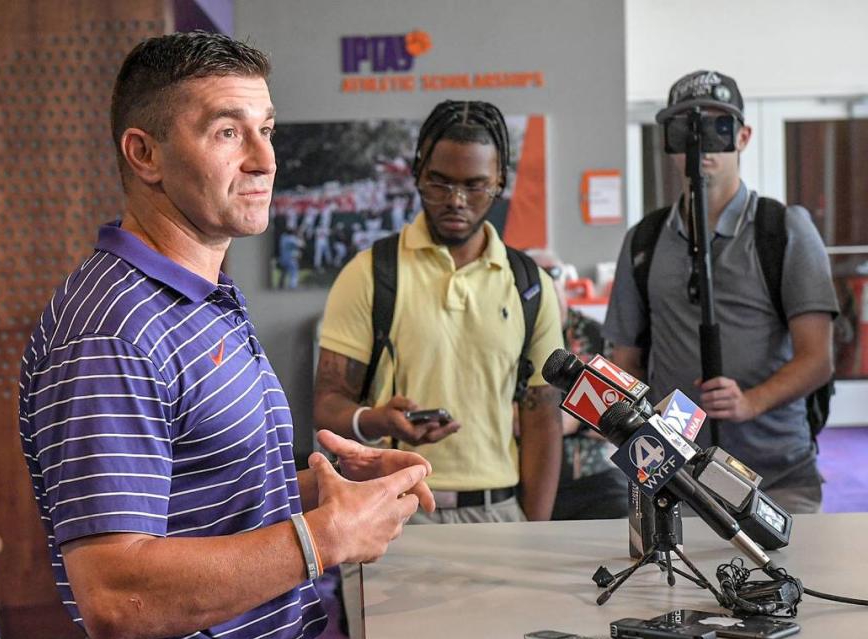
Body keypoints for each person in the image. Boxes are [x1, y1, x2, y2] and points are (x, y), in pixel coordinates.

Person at [18, 32, 436, 639]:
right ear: (145, 154)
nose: (266, 160)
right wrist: (326, 536)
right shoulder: (112, 332)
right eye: (227, 132)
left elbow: (193, 498)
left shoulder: (201, 298)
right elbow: (114, 593)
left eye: (267, 129)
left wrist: (323, 490)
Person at [314, 100, 565, 525]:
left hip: (498, 513)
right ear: (417, 174)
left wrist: (535, 530)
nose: (456, 200)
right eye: (439, 183)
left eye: (475, 185)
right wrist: (377, 419)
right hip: (393, 506)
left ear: (500, 182)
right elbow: (327, 403)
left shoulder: (529, 285)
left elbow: (543, 418)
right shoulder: (371, 273)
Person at [603, 70, 838, 514]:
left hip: (777, 474)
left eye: (718, 128)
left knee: (784, 578)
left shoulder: (784, 230)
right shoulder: (644, 241)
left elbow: (817, 357)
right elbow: (625, 358)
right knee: (668, 586)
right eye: (685, 131)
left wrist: (751, 401)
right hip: (677, 475)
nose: (701, 145)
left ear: (743, 136)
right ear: (668, 142)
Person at [534, 255, 629, 520]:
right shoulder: (513, 335)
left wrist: (577, 422)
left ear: (563, 292)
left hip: (595, 479)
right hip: (528, 478)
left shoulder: (596, 335)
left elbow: (630, 412)